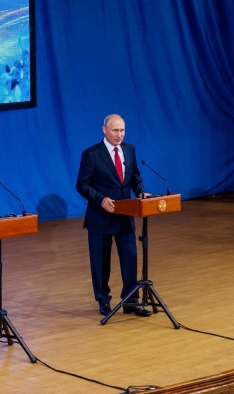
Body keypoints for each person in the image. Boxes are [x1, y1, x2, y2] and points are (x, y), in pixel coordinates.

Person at [76, 114, 151, 317]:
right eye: (115, 130)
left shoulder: (129, 149)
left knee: (130, 257)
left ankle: (131, 301)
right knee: (101, 261)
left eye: (122, 130)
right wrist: (100, 199)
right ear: (104, 130)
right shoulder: (92, 154)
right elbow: (82, 185)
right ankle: (103, 300)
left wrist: (140, 192)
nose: (120, 134)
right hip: (101, 216)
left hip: (125, 214)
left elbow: (134, 176)